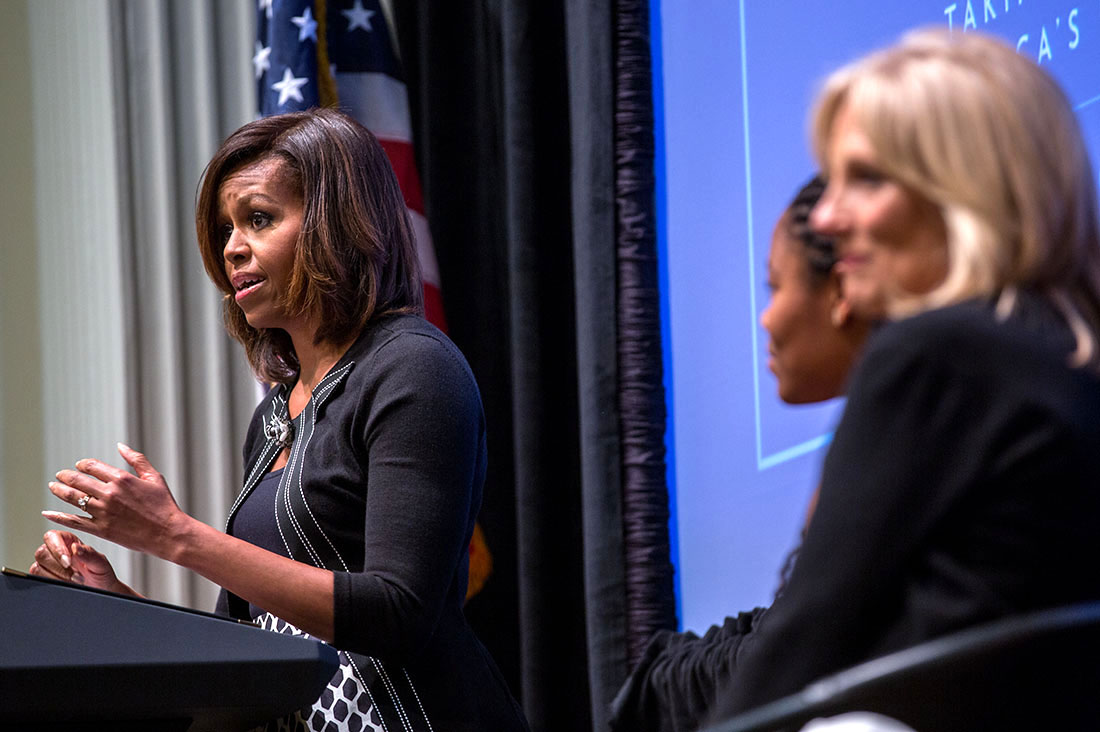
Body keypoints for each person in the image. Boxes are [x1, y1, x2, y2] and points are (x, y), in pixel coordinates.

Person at [29, 108, 529, 732]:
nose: (231, 247)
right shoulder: (273, 414)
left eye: (258, 219)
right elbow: (244, 648)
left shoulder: (413, 369)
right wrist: (116, 607)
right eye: (224, 229)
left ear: (335, 224)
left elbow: (400, 614)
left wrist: (175, 535)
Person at [707, 28, 1100, 723]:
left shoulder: (934, 357)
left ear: (962, 188)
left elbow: (800, 646)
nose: (826, 218)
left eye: (865, 179)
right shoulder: (1069, 349)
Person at [609, 174, 871, 732]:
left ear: (841, 290)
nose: (766, 317)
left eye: (775, 288)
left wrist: (656, 686)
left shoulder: (904, 420)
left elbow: (790, 658)